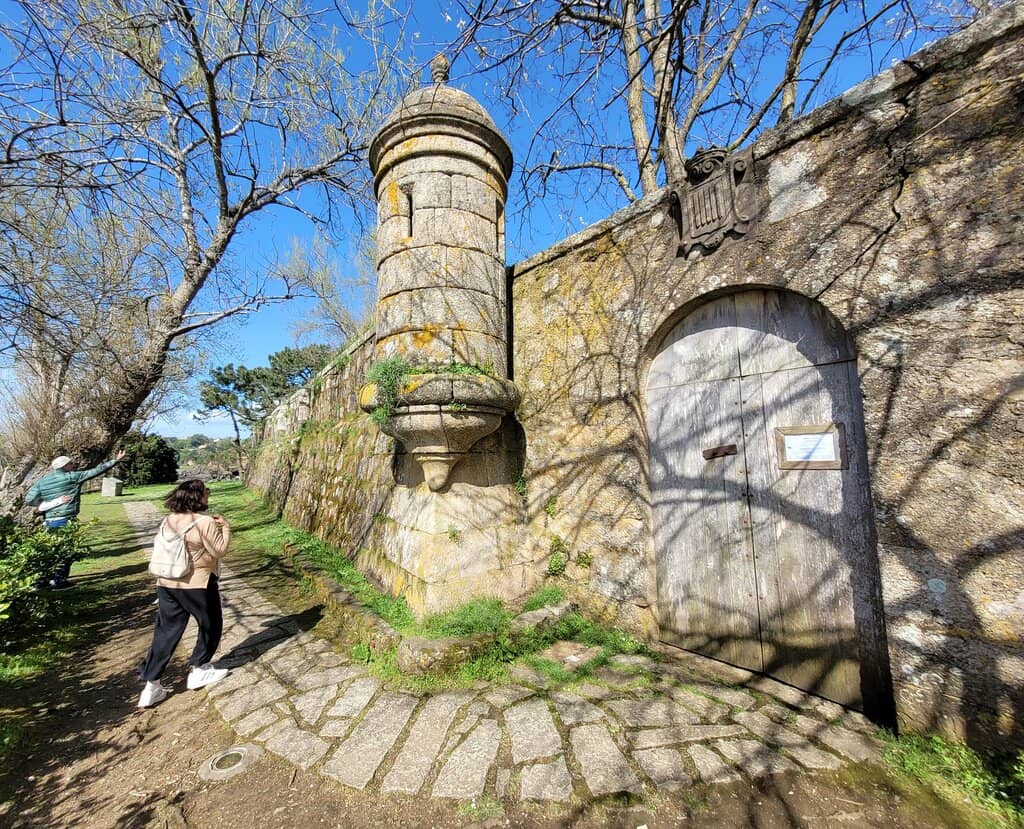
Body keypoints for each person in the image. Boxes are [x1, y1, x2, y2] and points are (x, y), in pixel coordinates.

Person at [137, 479, 231, 708]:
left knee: (166, 631)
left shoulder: (168, 519)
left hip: (167, 583)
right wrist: (226, 528)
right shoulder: (204, 522)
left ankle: (151, 685)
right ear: (197, 496)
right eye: (206, 492)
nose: (208, 495)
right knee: (210, 624)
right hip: (197, 582)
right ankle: (199, 668)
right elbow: (220, 550)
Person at [24, 450, 126, 588]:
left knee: (50, 551)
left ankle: (43, 580)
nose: (73, 465)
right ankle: (59, 581)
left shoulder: (42, 481)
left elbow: (29, 500)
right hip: (66, 519)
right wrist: (116, 460)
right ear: (64, 466)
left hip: (48, 521)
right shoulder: (72, 477)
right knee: (66, 551)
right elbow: (96, 471)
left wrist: (47, 504)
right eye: (71, 463)